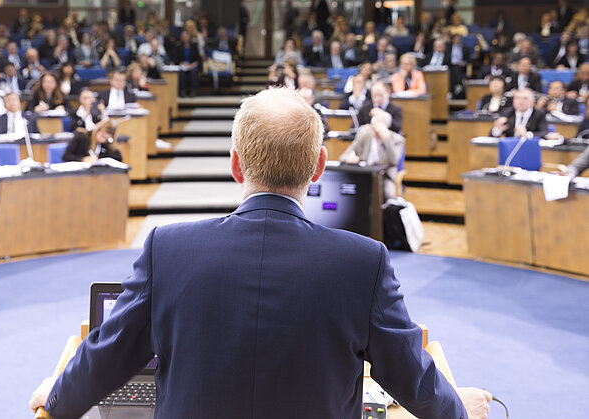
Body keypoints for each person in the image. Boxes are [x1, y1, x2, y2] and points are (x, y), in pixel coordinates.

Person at [29, 87, 492, 419]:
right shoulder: (364, 261)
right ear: (318, 168)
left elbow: (104, 357)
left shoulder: (166, 249)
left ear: (235, 164)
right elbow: (414, 378)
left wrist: (56, 397)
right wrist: (461, 411)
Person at [339, 111, 404, 199]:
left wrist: (386, 139)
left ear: (386, 127)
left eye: (377, 127)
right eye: (372, 126)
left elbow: (394, 160)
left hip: (384, 177)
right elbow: (343, 156)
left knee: (388, 194)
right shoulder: (364, 135)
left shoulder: (397, 140)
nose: (374, 130)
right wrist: (348, 158)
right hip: (363, 175)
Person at [172, 30, 201, 97]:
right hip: (182, 66)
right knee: (181, 73)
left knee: (194, 72)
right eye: (183, 37)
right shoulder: (178, 46)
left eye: (186, 36)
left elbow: (198, 59)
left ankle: (193, 91)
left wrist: (194, 64)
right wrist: (180, 63)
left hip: (192, 65)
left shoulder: (194, 46)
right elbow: (175, 59)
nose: (185, 38)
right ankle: (182, 91)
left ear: (189, 37)